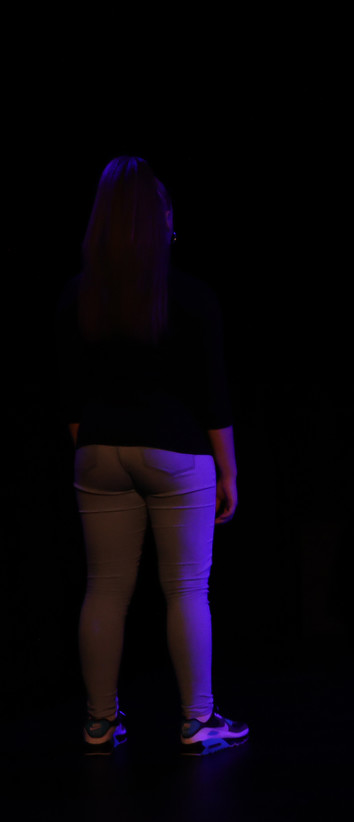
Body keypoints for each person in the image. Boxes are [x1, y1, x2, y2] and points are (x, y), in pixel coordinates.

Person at [59, 156, 247, 756]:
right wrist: (228, 472)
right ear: (160, 218)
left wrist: (93, 448)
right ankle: (197, 721)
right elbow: (215, 397)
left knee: (104, 588)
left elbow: (69, 398)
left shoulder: (78, 296)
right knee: (187, 589)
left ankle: (99, 723)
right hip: (176, 454)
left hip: (97, 453)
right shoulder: (190, 295)